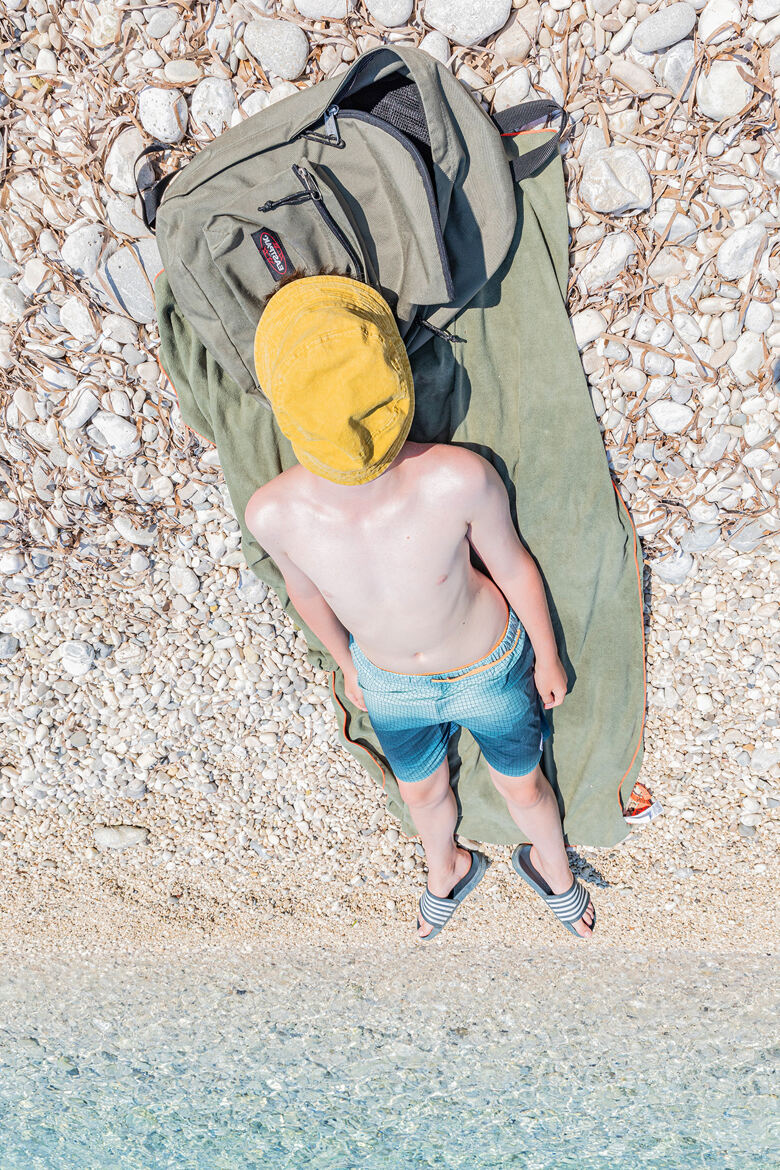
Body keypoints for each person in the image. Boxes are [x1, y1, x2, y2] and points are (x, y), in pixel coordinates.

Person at [244, 267, 596, 942]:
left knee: (523, 785)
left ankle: (553, 868)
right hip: (390, 681)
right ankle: (447, 867)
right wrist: (347, 664)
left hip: (487, 667)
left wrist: (545, 656)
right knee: (420, 793)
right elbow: (306, 591)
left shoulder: (455, 478)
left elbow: (513, 566)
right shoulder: (276, 515)